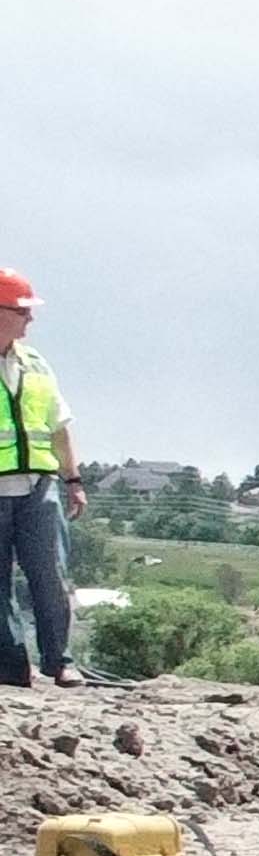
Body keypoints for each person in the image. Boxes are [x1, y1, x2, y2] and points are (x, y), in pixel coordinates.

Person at [0, 268, 83, 686]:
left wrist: (73, 479)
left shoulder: (35, 363)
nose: (29, 320)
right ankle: (11, 669)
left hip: (38, 487)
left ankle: (60, 661)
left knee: (50, 576)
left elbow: (59, 425)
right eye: (21, 311)